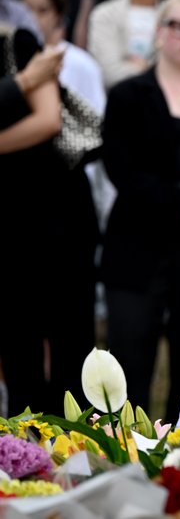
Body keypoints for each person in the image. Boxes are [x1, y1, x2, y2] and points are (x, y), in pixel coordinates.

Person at [101, 0, 180, 419]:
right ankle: (126, 458)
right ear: (159, 31)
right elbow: (120, 168)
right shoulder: (128, 94)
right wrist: (179, 204)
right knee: (130, 359)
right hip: (138, 242)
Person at [1, 24, 98, 418]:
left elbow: (47, 121)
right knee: (16, 341)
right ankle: (25, 456)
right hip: (7, 219)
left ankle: (79, 451)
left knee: (71, 343)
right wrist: (23, 82)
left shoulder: (17, 41)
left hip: (57, 210)